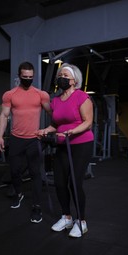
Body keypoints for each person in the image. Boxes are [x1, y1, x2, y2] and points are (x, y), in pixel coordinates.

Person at [38, 63, 94, 237]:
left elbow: (88, 122)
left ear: (74, 80)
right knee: (60, 183)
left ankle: (81, 221)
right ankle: (67, 217)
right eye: (59, 75)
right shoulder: (55, 100)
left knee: (74, 184)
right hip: (62, 144)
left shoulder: (81, 96)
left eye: (65, 75)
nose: (61, 77)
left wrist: (72, 131)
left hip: (81, 143)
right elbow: (56, 124)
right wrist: (46, 130)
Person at [0, 61, 51, 223]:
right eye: (25, 77)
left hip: (34, 140)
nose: (28, 79)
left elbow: (54, 113)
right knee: (15, 172)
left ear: (33, 76)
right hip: (16, 139)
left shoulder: (41, 95)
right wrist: (0, 136)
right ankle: (19, 194)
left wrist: (50, 129)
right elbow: (4, 116)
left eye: (30, 77)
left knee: (35, 174)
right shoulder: (10, 94)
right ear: (19, 76)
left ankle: (36, 206)